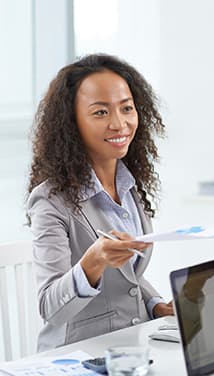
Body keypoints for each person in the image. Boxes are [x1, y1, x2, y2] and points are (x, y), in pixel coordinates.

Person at [27, 54, 174, 351]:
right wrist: (93, 261)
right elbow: (50, 308)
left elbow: (128, 276)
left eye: (127, 109)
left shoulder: (130, 185)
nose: (119, 124)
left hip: (130, 349)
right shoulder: (50, 202)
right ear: (72, 123)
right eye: (100, 113)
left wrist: (155, 304)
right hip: (79, 356)